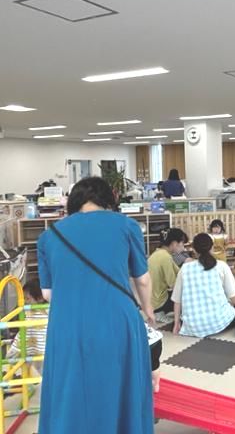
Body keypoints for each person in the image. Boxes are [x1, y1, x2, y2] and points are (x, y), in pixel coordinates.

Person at [36, 176, 155, 434]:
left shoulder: (49, 236)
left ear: (73, 202)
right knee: (121, 385)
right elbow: (143, 280)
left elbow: (47, 294)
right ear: (108, 200)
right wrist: (148, 309)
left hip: (67, 324)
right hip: (117, 320)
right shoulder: (127, 226)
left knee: (69, 388)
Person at [172, 233, 235, 338]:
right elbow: (233, 295)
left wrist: (176, 323)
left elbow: (177, 300)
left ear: (194, 250)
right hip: (218, 322)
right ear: (212, 248)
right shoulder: (221, 266)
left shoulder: (185, 269)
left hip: (192, 326)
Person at [7, 279, 48, 373]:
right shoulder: (26, 310)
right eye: (24, 298)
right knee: (29, 366)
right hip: (29, 346)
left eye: (27, 298)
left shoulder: (48, 310)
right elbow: (23, 329)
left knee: (41, 369)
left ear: (40, 298)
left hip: (42, 348)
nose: (25, 301)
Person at [149, 228, 188, 322]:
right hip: (158, 302)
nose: (183, 247)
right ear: (174, 243)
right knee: (186, 293)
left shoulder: (158, 253)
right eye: (182, 243)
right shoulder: (166, 257)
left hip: (151, 299)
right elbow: (173, 284)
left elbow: (178, 272)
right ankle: (158, 312)